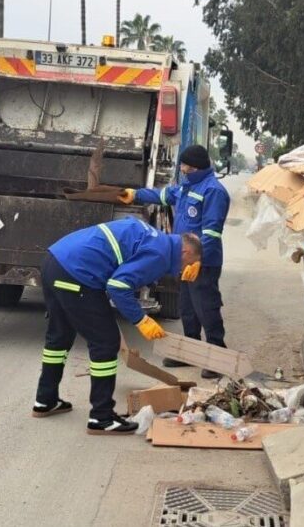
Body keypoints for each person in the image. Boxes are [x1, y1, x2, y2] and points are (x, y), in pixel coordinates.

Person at [33, 217, 203, 435]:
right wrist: (141, 320)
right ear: (185, 253)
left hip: (55, 261)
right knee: (105, 342)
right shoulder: (160, 255)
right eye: (189, 265)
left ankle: (45, 401)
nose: (184, 271)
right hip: (77, 272)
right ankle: (101, 418)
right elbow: (118, 286)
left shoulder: (156, 239)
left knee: (60, 335)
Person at [118, 144, 230, 379]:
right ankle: (189, 353)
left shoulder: (214, 191)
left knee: (206, 307)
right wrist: (135, 194)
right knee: (187, 309)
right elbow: (161, 196)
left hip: (204, 263)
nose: (182, 168)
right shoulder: (186, 187)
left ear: (195, 166)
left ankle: (217, 357)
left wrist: (199, 260)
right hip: (184, 258)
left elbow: (212, 233)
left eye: (184, 165)